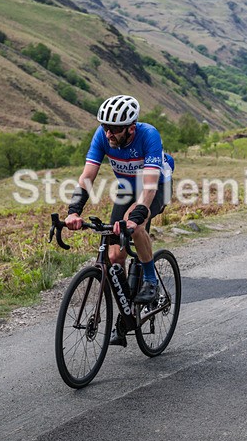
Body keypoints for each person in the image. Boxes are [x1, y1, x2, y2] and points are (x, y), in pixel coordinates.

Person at [64, 95, 173, 346]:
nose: (108, 133)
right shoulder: (102, 136)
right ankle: (126, 314)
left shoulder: (148, 135)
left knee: (133, 224)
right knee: (114, 257)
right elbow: (87, 176)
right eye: (105, 127)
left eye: (114, 129)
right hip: (127, 188)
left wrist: (136, 217)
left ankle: (150, 280)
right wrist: (74, 210)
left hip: (156, 187)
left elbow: (149, 186)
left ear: (131, 128)